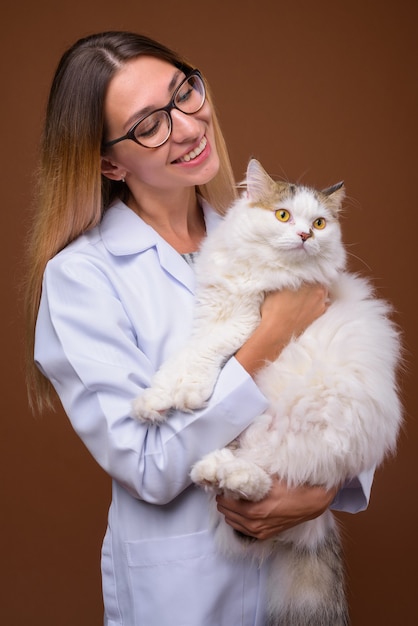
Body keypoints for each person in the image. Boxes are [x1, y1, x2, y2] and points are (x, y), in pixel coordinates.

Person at [25, 31, 373, 626]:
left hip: (295, 567)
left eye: (183, 92)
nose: (187, 126)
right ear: (109, 161)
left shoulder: (273, 232)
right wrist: (267, 338)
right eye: (148, 126)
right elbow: (147, 464)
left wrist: (320, 491)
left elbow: (341, 379)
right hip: (185, 593)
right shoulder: (82, 277)